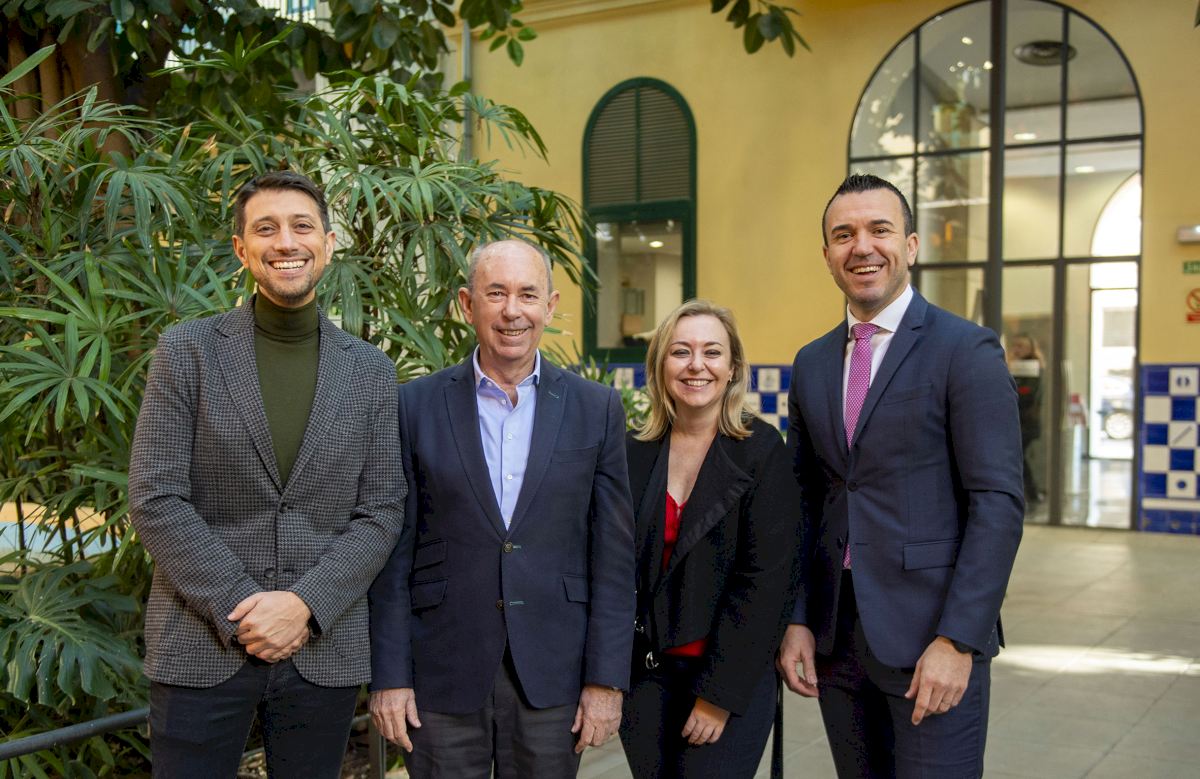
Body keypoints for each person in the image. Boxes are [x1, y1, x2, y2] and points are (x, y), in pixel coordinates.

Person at [128, 171, 405, 777]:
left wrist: (304, 604)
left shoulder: (371, 371)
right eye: (266, 228)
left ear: (328, 244)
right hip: (200, 640)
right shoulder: (187, 350)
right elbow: (155, 496)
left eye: (302, 226)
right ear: (241, 248)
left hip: (322, 648)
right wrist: (242, 606)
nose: (286, 242)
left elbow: (382, 510)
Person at [777, 174, 1024, 778]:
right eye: (844, 235)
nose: (861, 246)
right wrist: (799, 617)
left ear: (910, 245)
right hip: (838, 640)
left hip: (930, 638)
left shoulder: (966, 350)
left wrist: (959, 639)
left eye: (879, 230)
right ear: (827, 254)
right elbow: (804, 500)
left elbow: (997, 504)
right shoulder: (811, 363)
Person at [368, 239, 636, 778]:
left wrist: (606, 681)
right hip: (441, 672)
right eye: (496, 294)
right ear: (468, 305)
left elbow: (613, 558)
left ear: (550, 306)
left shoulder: (596, 408)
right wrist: (390, 677)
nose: (513, 311)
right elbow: (393, 551)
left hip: (554, 674)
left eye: (528, 295)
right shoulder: (413, 405)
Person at [619, 300, 802, 779]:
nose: (696, 365)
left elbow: (765, 583)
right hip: (646, 679)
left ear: (733, 367)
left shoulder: (762, 450)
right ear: (660, 365)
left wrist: (718, 695)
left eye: (712, 352)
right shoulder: (633, 450)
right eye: (680, 351)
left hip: (725, 676)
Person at [1007, 333, 1045, 504]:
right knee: (1018, 458)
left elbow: (1027, 395)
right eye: (1015, 346)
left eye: (1021, 346)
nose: (1017, 350)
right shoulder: (1012, 366)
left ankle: (1031, 492)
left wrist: (1013, 392)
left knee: (1018, 458)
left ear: (1030, 349)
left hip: (1026, 422)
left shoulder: (1033, 367)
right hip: (1015, 421)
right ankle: (1031, 492)